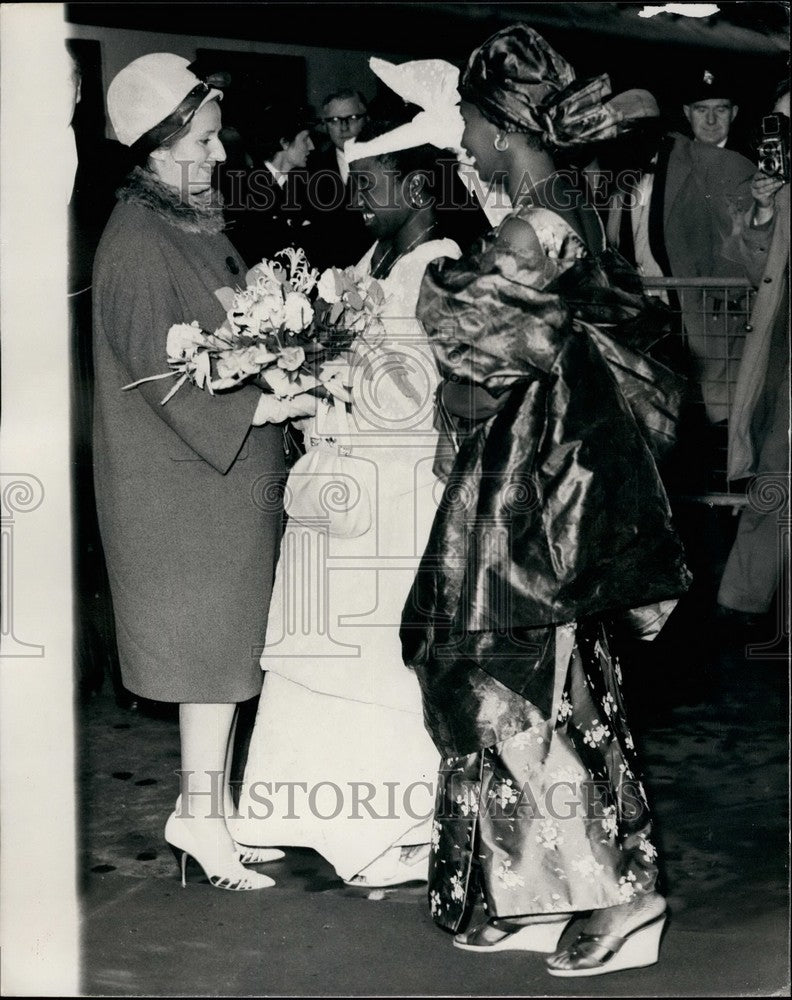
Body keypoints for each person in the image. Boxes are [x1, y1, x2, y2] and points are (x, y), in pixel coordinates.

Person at [399, 25, 691, 977]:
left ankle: (626, 895)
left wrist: (449, 373)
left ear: (502, 128)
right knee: (534, 681)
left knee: (532, 684)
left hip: (532, 505)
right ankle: (531, 887)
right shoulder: (566, 211)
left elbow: (480, 375)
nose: (464, 145)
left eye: (471, 126)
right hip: (548, 493)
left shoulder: (535, 227)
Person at [228, 62, 469, 887]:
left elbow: (413, 396)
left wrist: (319, 384)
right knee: (313, 644)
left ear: (417, 184)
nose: (353, 192)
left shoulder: (437, 265)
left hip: (393, 493)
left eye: (369, 180)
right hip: (341, 480)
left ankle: (388, 826)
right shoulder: (369, 258)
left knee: (369, 658)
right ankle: (293, 806)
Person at [92, 53, 315, 891]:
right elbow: (159, 373)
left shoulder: (188, 221)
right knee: (205, 661)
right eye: (209, 140)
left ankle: (207, 815)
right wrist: (266, 407)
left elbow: (232, 329)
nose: (223, 156)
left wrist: (286, 371)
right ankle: (199, 817)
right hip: (179, 490)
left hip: (215, 484)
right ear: (160, 143)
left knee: (220, 662)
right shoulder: (138, 240)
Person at [717, 85, 790, 632]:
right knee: (773, 464)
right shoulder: (775, 190)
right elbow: (743, 264)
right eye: (781, 123)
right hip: (781, 344)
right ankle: (742, 601)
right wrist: (763, 211)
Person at [222, 105, 315, 267]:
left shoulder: (305, 184)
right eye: (305, 139)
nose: (312, 146)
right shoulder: (246, 190)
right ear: (285, 142)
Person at [303, 88, 372, 269]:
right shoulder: (310, 169)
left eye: (352, 118)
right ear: (325, 125)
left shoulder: (387, 164)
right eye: (334, 121)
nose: (344, 127)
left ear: (367, 119)